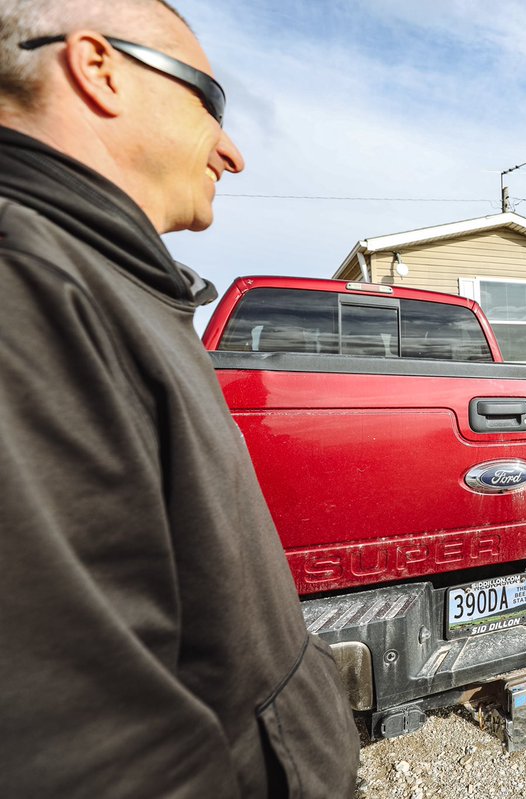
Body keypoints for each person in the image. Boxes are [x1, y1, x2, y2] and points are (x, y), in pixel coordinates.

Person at [0, 1, 360, 796]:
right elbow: (90, 745)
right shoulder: (27, 289)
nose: (232, 151)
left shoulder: (112, 285)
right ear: (97, 69)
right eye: (209, 102)